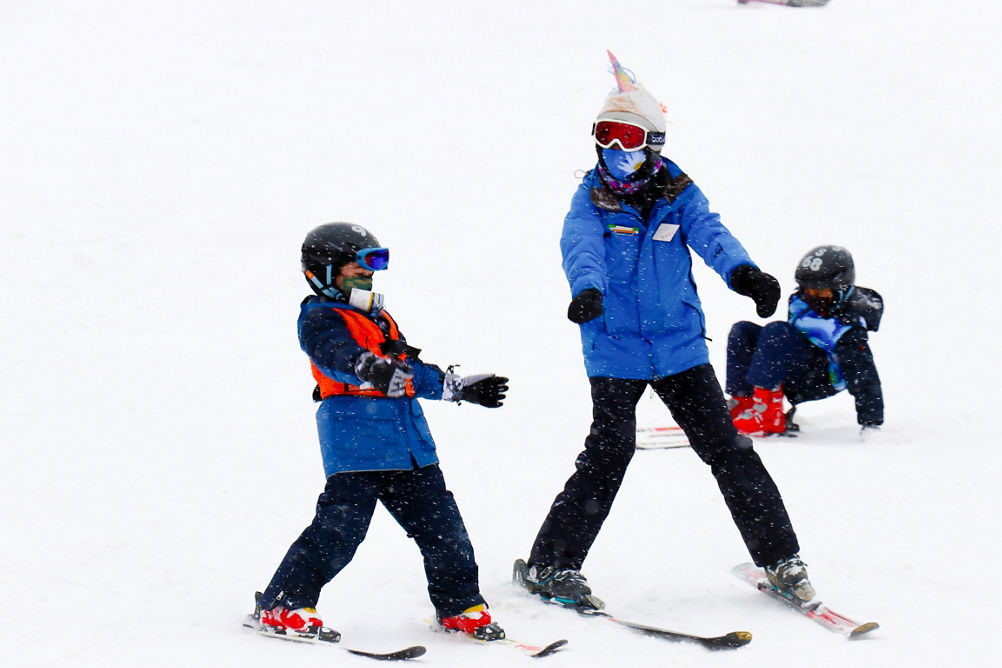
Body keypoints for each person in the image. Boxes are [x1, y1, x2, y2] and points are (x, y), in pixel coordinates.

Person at [512, 52, 815, 607]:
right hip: (615, 349)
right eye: (605, 134)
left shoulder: (680, 193)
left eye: (627, 136)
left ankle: (781, 560)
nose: (613, 149)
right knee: (608, 454)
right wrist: (587, 292)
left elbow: (711, 234)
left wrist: (744, 274)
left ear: (652, 143)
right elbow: (581, 250)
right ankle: (551, 566)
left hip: (677, 344)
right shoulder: (590, 201)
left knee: (727, 449)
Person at [250, 222, 510, 641]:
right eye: (358, 271)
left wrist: (457, 388)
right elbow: (333, 354)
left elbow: (406, 371)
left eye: (371, 272)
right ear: (325, 273)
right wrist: (364, 364)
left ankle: (459, 606)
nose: (368, 278)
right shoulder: (320, 317)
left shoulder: (379, 318)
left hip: (411, 449)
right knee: (339, 532)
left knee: (445, 531)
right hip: (357, 447)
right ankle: (283, 605)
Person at [726, 245, 883, 436]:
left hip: (822, 378)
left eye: (822, 293)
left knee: (777, 331)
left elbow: (863, 373)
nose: (815, 298)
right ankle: (745, 401)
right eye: (810, 292)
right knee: (743, 331)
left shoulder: (849, 323)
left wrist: (871, 421)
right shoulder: (800, 302)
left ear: (840, 288)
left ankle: (768, 414)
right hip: (799, 366)